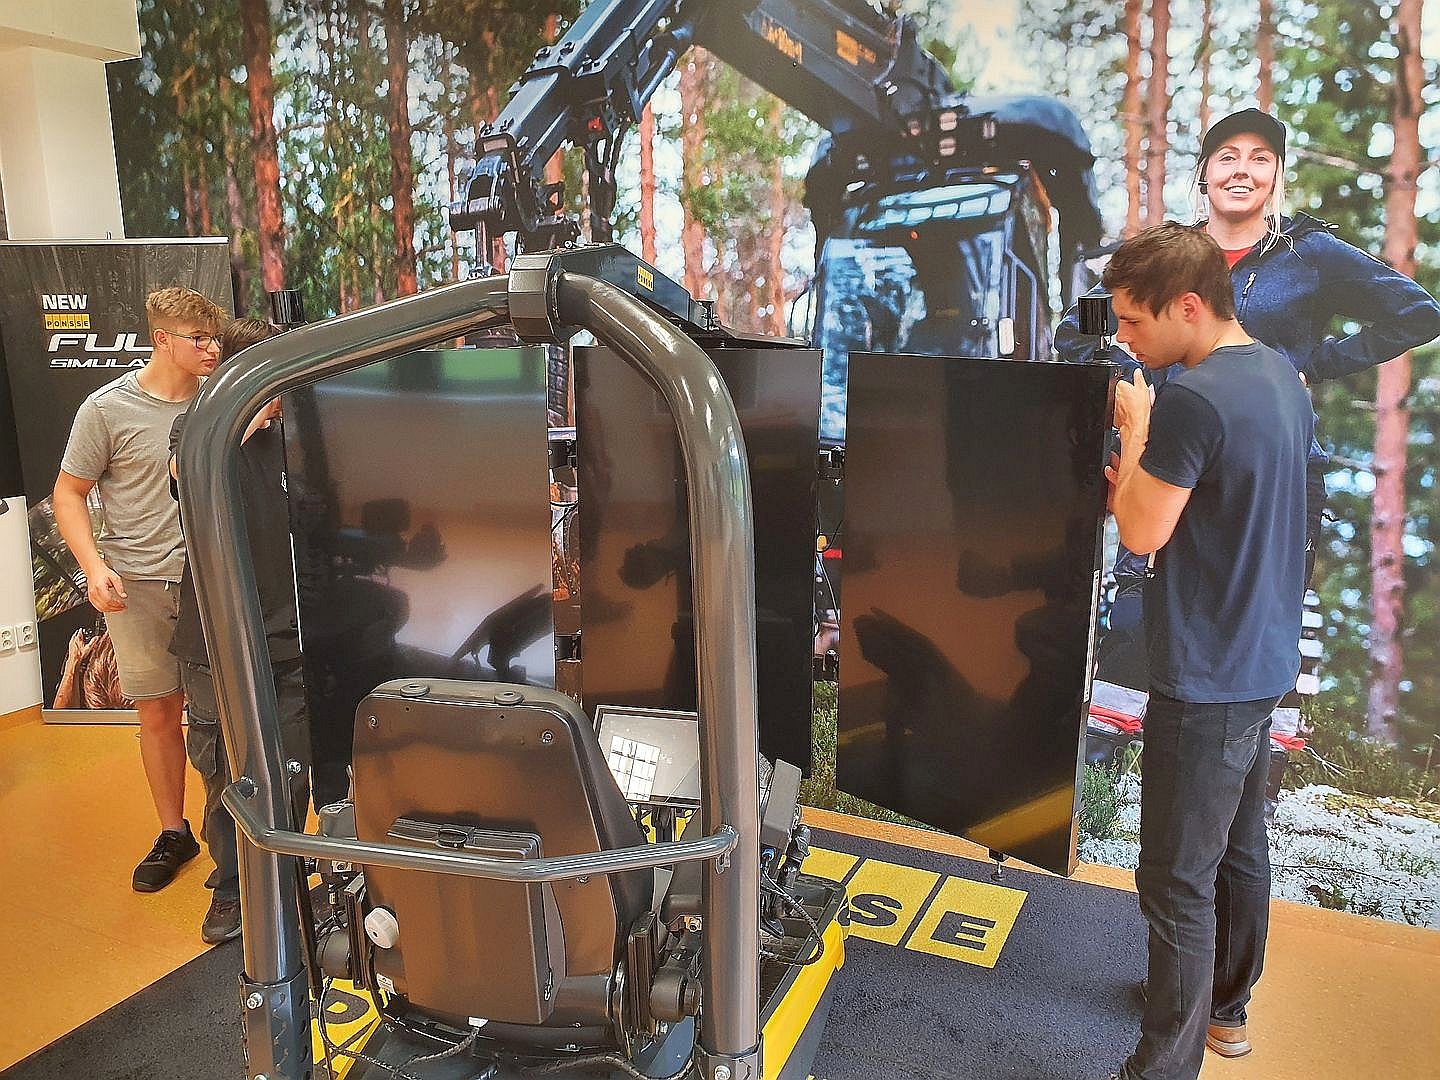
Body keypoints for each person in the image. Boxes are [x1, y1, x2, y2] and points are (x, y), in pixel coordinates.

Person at [1058, 107, 1440, 685]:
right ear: (1204, 173)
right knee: (1138, 623)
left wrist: (1311, 365)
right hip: (1169, 464)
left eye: (1260, 158)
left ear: (1277, 175)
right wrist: (1132, 380)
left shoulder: (1312, 256)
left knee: (1251, 638)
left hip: (1272, 473)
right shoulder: (1165, 258)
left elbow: (1417, 313)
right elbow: (1077, 329)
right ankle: (1128, 734)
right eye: (1227, 157)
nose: (1242, 170)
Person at [1099, 224, 1313, 1080]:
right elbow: (1218, 505)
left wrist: (1136, 432)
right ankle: (1224, 1012)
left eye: (1133, 321)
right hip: (1261, 656)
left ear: (1187, 306)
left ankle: (1163, 1067)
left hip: (1209, 670)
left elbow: (1142, 531)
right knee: (1240, 849)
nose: (1124, 338)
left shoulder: (1190, 399)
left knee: (1175, 881)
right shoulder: (1279, 375)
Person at [53, 286, 225, 892]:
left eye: (214, 338)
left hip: (213, 580)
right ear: (162, 340)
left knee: (224, 715)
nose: (211, 348)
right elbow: (68, 493)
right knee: (158, 710)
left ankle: (233, 838)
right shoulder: (107, 410)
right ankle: (174, 832)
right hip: (140, 583)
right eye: (198, 339)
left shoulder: (223, 399)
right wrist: (93, 566)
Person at [168, 316, 310, 945]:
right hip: (215, 639)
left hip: (290, 635)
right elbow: (186, 475)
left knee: (294, 763)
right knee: (224, 769)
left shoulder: (301, 439)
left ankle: (284, 872)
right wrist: (243, 408)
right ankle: (230, 885)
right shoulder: (196, 431)